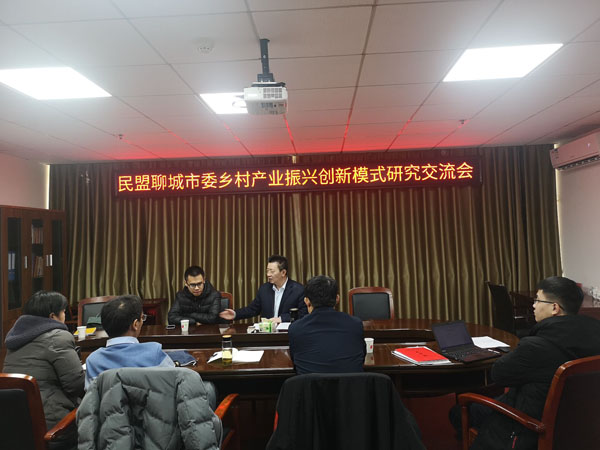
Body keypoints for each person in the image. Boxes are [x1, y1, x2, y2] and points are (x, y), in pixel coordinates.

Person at [450, 276, 600, 450]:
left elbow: (498, 375)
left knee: (458, 411)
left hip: (531, 426)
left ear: (554, 308)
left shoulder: (536, 347)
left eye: (538, 300)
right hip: (582, 426)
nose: (533, 305)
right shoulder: (595, 335)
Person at [85, 294, 217, 408]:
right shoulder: (153, 352)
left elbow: (92, 402)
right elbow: (175, 387)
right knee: (207, 388)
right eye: (142, 318)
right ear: (135, 324)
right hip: (153, 425)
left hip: (110, 426)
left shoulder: (93, 360)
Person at [3, 291, 84, 450]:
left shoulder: (15, 339)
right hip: (53, 429)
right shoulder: (58, 336)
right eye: (64, 312)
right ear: (52, 316)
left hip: (14, 427)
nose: (65, 316)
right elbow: (76, 386)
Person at [288, 275, 366, 374]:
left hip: (311, 384)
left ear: (307, 301)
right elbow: (361, 358)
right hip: (349, 384)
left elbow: (295, 362)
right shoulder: (355, 324)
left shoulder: (295, 328)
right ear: (337, 299)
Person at [219, 255, 306, 323]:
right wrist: (235, 314)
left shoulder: (298, 290)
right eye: (267, 271)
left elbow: (303, 314)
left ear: (283, 272)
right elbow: (253, 309)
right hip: (267, 333)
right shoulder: (264, 289)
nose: (268, 274)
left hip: (288, 333)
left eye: (272, 271)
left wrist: (281, 319)